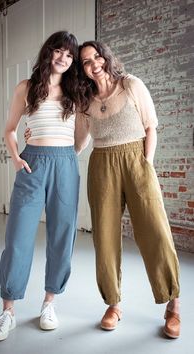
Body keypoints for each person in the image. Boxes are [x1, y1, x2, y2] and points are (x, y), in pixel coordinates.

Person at [76, 41, 180, 339]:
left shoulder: (131, 85)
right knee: (105, 238)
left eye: (96, 56)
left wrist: (146, 165)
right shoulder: (86, 101)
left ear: (106, 58)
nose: (93, 64)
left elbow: (151, 127)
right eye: (85, 61)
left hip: (136, 161)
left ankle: (173, 306)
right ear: (82, 70)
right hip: (101, 166)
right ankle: (113, 304)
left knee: (156, 232)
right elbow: (79, 143)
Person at [0, 31, 86, 342]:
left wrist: (69, 158)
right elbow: (9, 129)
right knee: (18, 236)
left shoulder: (76, 92)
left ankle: (49, 303)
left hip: (65, 164)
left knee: (62, 235)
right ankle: (8, 310)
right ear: (49, 53)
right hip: (32, 163)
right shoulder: (27, 88)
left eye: (70, 56)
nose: (63, 58)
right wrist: (17, 158)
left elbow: (83, 134)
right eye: (59, 51)